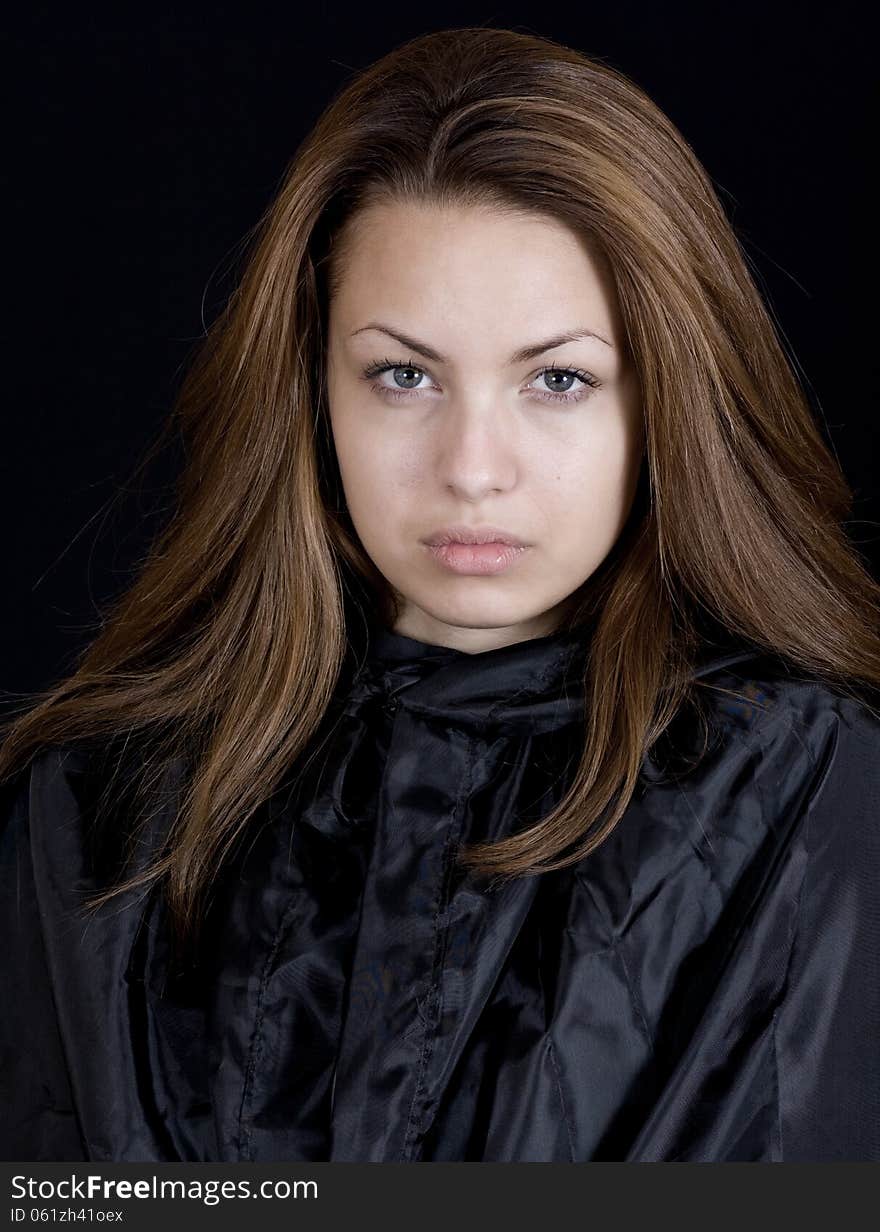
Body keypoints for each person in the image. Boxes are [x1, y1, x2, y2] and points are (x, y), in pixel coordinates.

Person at [1, 26, 878, 1164]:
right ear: (313, 388)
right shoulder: (93, 810)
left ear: (663, 400)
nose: (471, 466)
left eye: (557, 379)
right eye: (403, 375)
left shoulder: (815, 794)